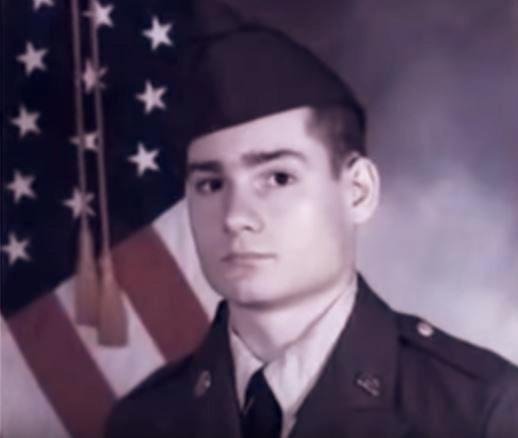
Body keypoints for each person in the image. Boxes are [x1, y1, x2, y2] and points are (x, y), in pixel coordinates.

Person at [106, 2, 518, 437]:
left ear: (358, 191)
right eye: (211, 184)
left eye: (278, 178)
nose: (236, 217)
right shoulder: (142, 421)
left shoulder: (479, 411)